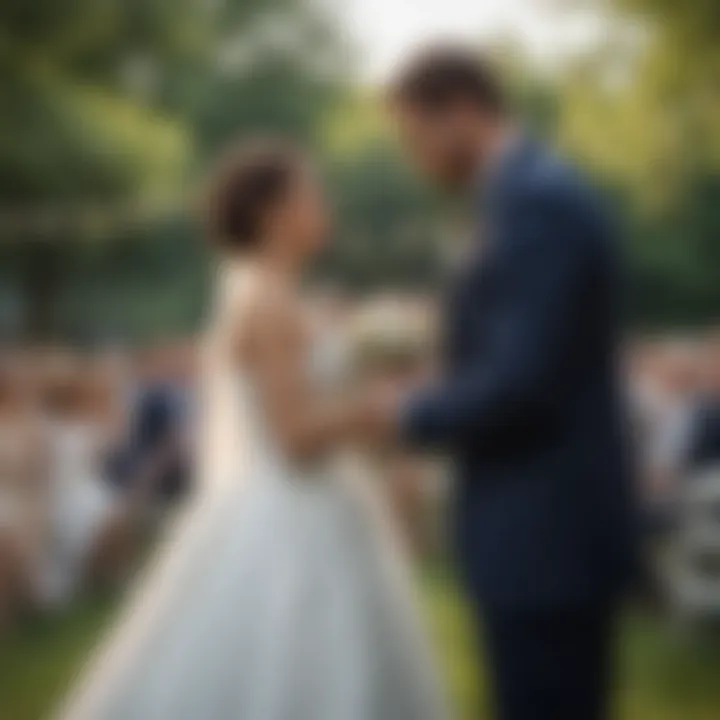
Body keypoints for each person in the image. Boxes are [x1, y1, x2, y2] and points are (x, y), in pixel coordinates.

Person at [55, 140, 447, 720]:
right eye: (311, 195)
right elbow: (292, 439)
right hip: (296, 508)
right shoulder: (269, 302)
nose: (325, 208)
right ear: (271, 213)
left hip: (310, 498)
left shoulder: (267, 291)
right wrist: (380, 407)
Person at [374, 46, 639, 720]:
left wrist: (404, 412)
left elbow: (521, 381)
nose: (414, 158)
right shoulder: (517, 194)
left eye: (415, 136)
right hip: (534, 527)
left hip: (547, 533)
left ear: (461, 111)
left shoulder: (536, 202)